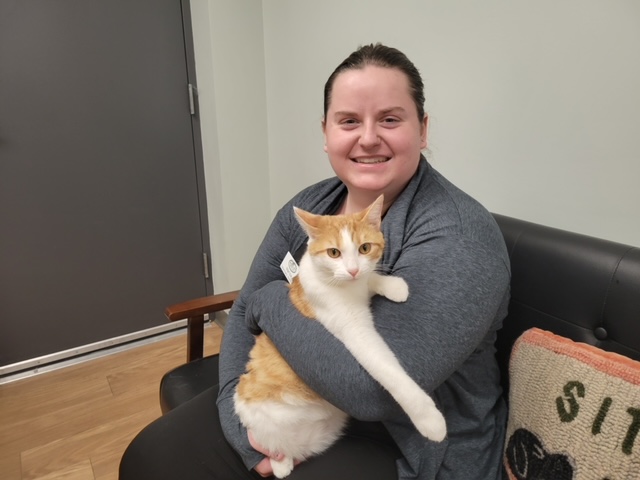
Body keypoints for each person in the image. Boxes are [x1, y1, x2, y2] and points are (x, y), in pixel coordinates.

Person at [120, 43, 510, 480]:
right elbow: (242, 318)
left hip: (410, 445)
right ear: (325, 133)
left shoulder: (457, 233)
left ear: (422, 129)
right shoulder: (310, 208)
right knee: (150, 456)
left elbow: (370, 394)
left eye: (390, 119)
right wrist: (243, 425)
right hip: (303, 399)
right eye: (348, 121)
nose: (367, 137)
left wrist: (269, 301)